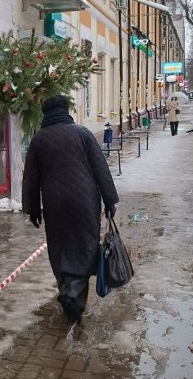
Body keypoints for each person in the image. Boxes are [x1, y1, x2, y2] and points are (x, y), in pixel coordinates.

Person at [22, 95, 120, 328]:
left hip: (55, 204)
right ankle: (73, 297)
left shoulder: (38, 140)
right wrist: (110, 200)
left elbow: (31, 180)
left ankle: (67, 289)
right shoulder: (82, 133)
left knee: (59, 246)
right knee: (85, 245)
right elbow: (100, 169)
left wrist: (33, 209)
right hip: (85, 201)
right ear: (66, 110)